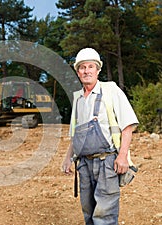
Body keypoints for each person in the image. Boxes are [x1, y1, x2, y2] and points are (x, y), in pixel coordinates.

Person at [62, 48, 139, 225]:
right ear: (77, 71)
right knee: (89, 213)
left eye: (90, 66)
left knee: (104, 215)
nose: (86, 70)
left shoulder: (111, 90)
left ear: (98, 70)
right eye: (82, 67)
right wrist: (67, 159)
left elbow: (127, 125)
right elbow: (76, 134)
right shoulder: (78, 99)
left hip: (107, 162)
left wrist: (122, 156)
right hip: (84, 164)